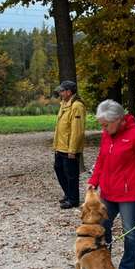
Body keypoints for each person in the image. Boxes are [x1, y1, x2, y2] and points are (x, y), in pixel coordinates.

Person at [88, 100, 135, 269]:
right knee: (101, 228)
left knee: (130, 232)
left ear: (118, 119)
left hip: (129, 194)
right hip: (108, 191)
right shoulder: (107, 134)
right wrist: (94, 181)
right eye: (101, 125)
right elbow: (101, 158)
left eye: (106, 124)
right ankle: (103, 264)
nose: (103, 128)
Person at [53, 80, 86, 209]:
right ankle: (68, 194)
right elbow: (60, 127)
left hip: (69, 148)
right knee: (59, 168)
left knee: (71, 174)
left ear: (69, 92)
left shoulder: (77, 106)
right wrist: (56, 146)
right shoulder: (64, 104)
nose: (60, 93)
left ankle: (73, 199)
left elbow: (77, 130)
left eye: (62, 90)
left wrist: (72, 150)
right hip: (61, 146)